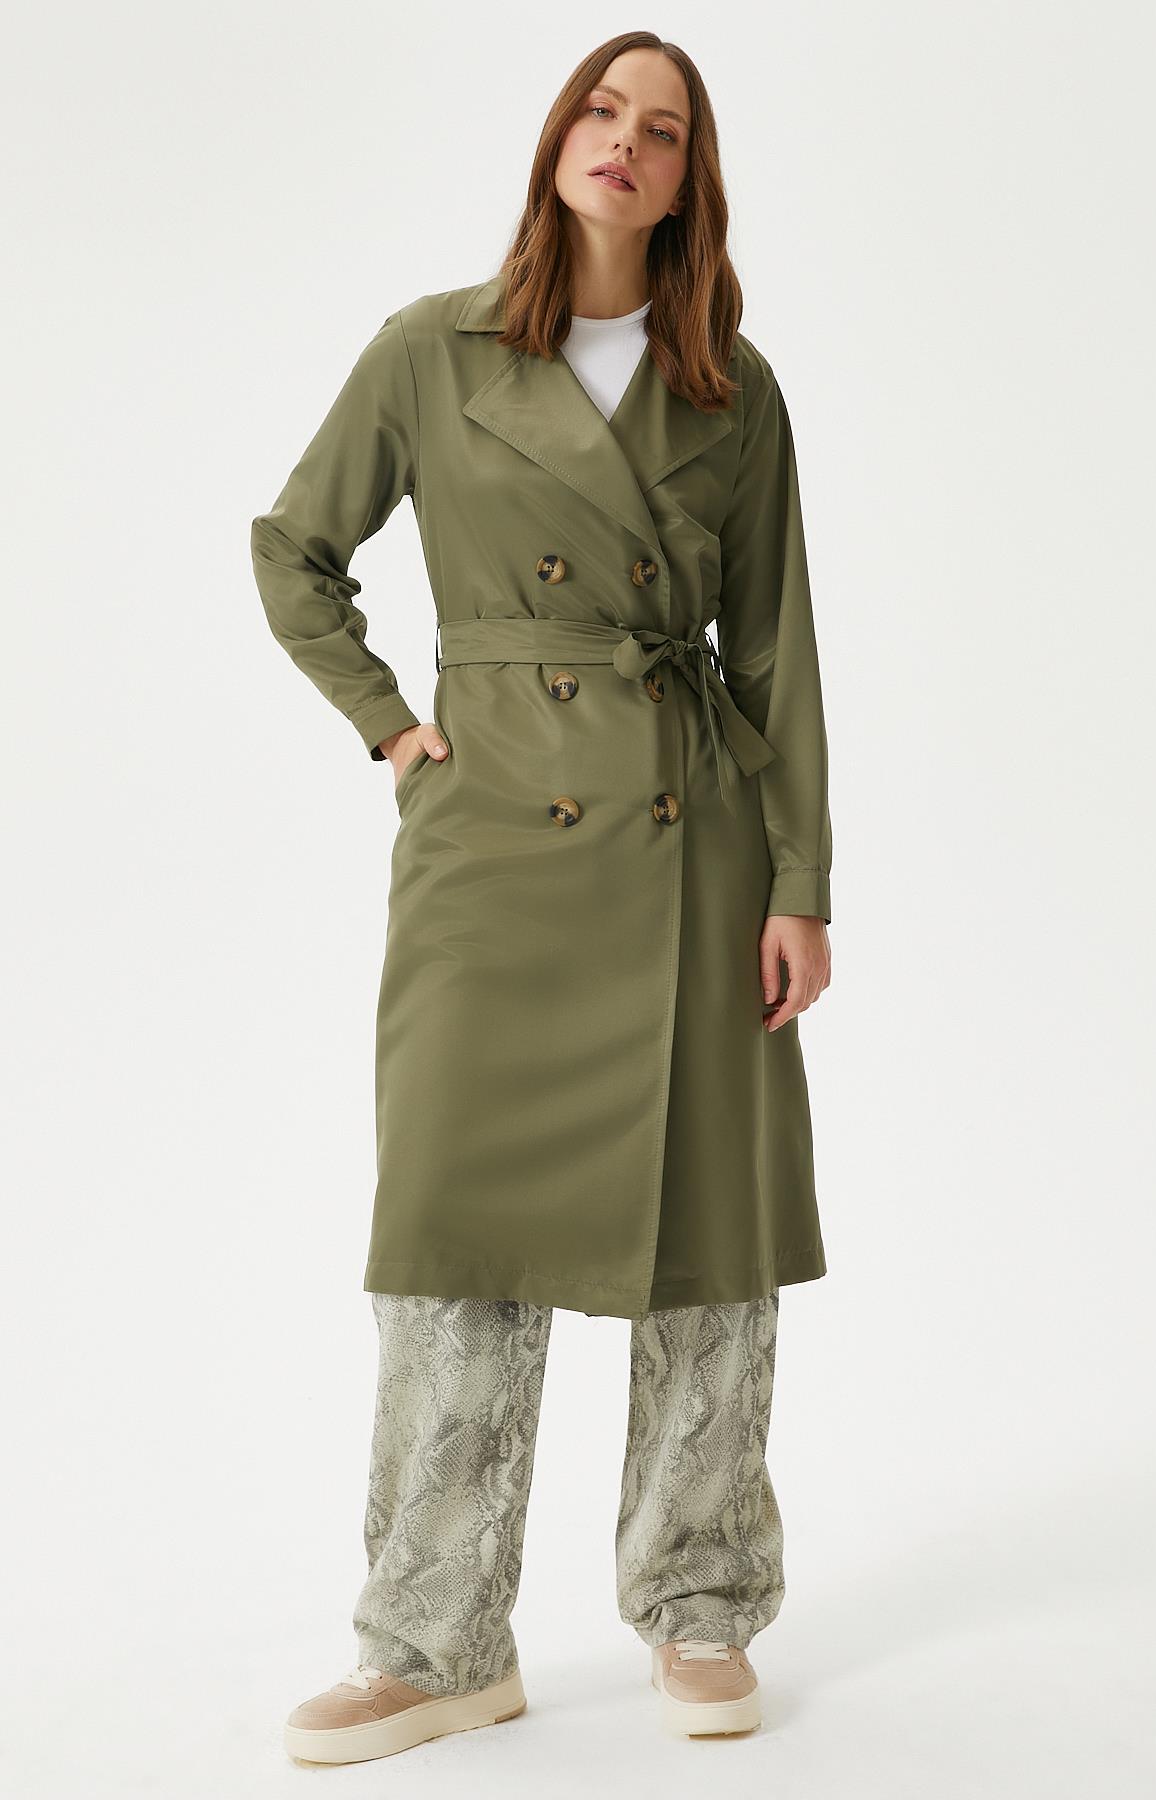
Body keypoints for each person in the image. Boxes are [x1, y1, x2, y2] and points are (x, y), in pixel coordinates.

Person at [249, 30, 833, 1763]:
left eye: (663, 129)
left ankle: (702, 1604)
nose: (624, 141)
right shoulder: (430, 351)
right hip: (491, 839)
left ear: (688, 180)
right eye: (600, 108)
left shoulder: (732, 386)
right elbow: (294, 550)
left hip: (688, 838)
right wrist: (391, 726)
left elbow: (777, 651)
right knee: (452, 1230)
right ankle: (432, 1642)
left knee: (708, 1240)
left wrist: (800, 879)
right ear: (558, 139)